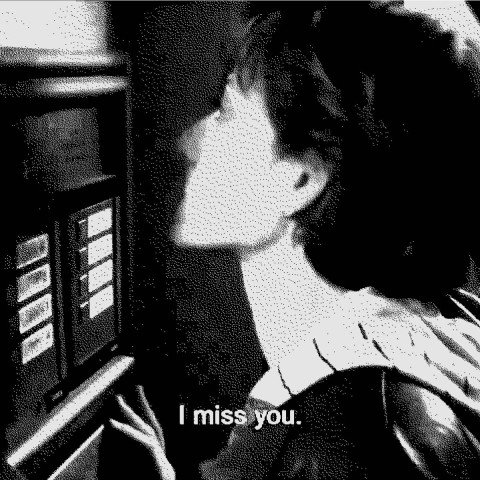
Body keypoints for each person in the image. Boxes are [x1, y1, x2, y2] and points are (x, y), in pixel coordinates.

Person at [109, 2, 480, 478]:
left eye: (227, 112)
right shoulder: (444, 329)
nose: (191, 142)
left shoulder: (333, 426)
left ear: (300, 178)